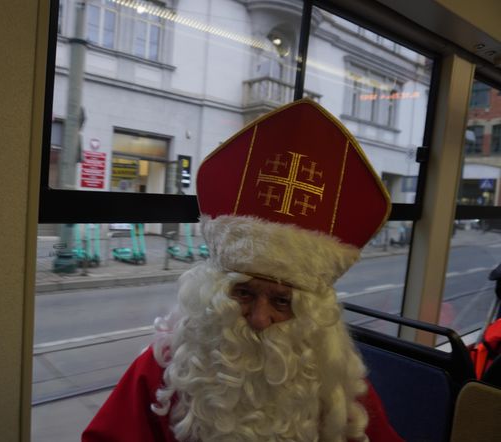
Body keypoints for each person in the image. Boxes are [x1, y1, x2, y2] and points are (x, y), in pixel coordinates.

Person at [83, 99, 403, 441]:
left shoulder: (335, 381)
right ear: (214, 292)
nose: (259, 318)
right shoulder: (167, 365)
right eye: (244, 293)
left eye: (282, 302)